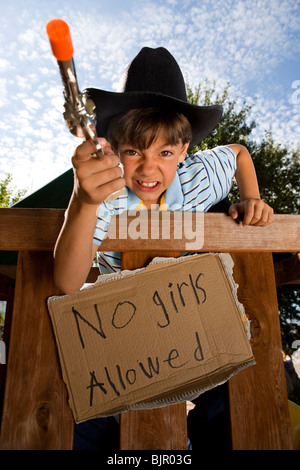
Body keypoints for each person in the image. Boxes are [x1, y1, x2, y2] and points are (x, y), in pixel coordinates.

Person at [53, 47, 273, 449]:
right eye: (134, 151)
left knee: (229, 400)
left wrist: (251, 197)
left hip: (194, 328)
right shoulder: (107, 195)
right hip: (123, 339)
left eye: (165, 152)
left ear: (184, 152)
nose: (148, 168)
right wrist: (82, 201)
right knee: (86, 426)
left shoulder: (196, 177)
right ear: (115, 148)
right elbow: (68, 282)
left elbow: (239, 153)